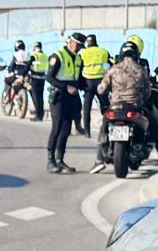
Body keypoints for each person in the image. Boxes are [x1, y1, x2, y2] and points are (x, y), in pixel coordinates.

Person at [106, 35, 158, 165]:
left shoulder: (115, 65)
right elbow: (147, 85)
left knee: (104, 123)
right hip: (136, 103)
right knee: (157, 121)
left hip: (116, 104)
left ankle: (99, 157)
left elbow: (104, 84)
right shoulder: (142, 64)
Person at [44, 32, 86, 173]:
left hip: (72, 97)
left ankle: (60, 160)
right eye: (78, 45)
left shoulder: (79, 58)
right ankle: (51, 161)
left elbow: (79, 80)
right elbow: (49, 77)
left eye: (81, 46)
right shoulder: (58, 56)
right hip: (59, 96)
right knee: (57, 128)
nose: (79, 48)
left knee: (66, 130)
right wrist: (66, 87)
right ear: (70, 42)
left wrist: (90, 88)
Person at [77, 33, 111, 137]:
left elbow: (78, 68)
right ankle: (108, 129)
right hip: (101, 82)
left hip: (88, 83)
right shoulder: (103, 52)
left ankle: (87, 132)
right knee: (105, 106)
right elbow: (110, 64)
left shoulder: (83, 53)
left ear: (88, 42)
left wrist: (79, 84)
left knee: (87, 107)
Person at [28, 42, 50, 121]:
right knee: (40, 97)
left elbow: (28, 66)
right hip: (42, 79)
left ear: (35, 47)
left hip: (35, 79)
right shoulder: (45, 56)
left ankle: (38, 115)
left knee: (36, 97)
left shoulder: (34, 56)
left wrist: (22, 74)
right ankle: (41, 114)